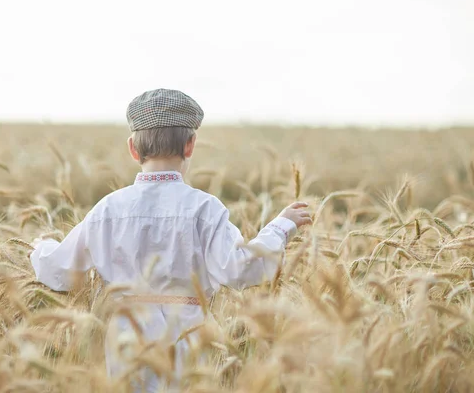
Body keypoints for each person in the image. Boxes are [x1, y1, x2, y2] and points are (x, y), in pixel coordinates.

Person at [29, 88, 312, 391]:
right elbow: (239, 269)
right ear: (190, 145)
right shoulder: (205, 209)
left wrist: (41, 248)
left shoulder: (107, 210)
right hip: (189, 337)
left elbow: (60, 271)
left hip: (126, 341)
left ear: (133, 149)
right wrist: (280, 228)